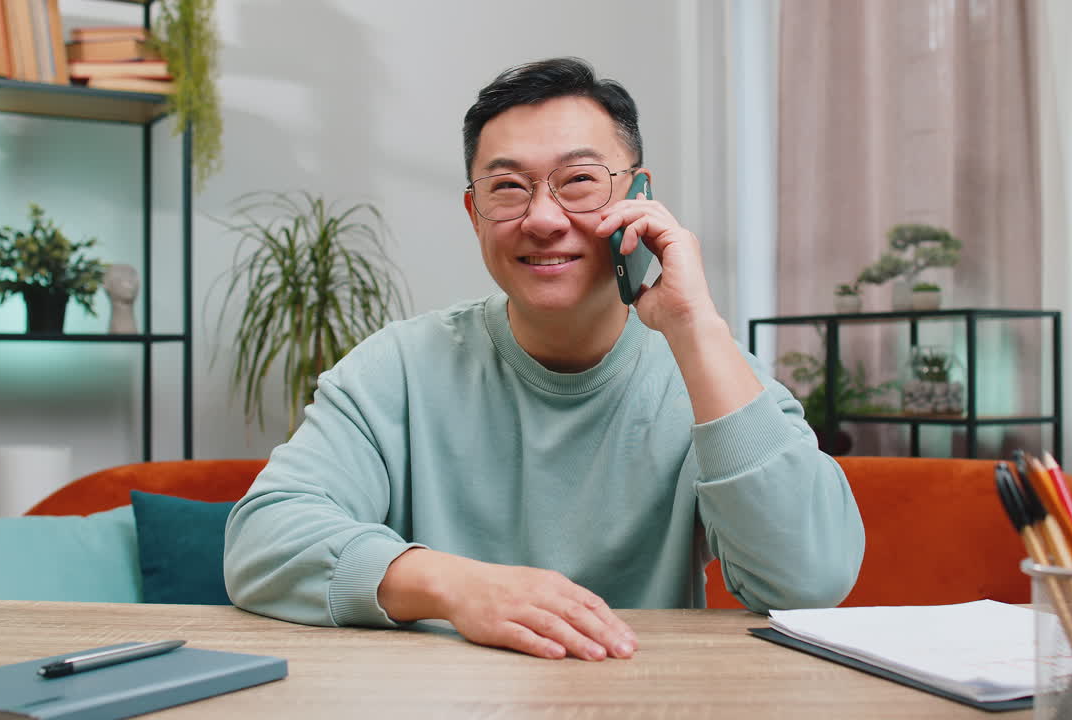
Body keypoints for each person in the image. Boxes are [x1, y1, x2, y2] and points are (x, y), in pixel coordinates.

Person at [223, 57, 865, 662]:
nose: (542, 218)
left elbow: (809, 579)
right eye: (508, 188)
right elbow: (263, 540)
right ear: (475, 213)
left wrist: (694, 326)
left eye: (579, 181)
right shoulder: (396, 368)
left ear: (639, 196)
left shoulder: (714, 372)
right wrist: (457, 586)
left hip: (645, 693)